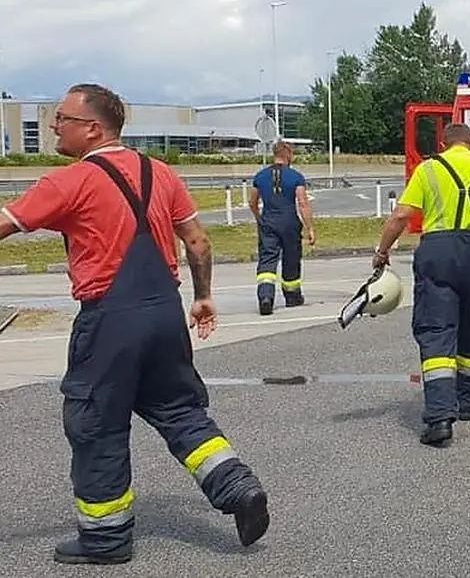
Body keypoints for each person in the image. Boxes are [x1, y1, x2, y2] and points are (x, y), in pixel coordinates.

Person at [0, 83, 269, 565]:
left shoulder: (70, 181)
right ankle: (238, 487)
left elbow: (5, 223)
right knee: (180, 411)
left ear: (92, 129)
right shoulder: (160, 173)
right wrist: (203, 297)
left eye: (62, 118)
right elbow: (198, 242)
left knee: (95, 424)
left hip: (110, 321)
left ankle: (105, 540)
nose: (54, 126)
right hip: (165, 314)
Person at [373, 122, 470, 447]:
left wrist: (382, 251)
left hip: (439, 252)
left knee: (437, 329)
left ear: (443, 144)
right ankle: (469, 403)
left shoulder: (428, 169)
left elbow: (401, 216)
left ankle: (439, 418)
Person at [248, 140, 315, 315]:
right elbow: (303, 203)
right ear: (288, 155)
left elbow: (252, 202)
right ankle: (292, 297)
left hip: (268, 222)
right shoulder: (296, 177)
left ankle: (266, 296)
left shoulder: (260, 176)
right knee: (291, 258)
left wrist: (259, 218)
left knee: (267, 260)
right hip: (290, 223)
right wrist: (310, 228)